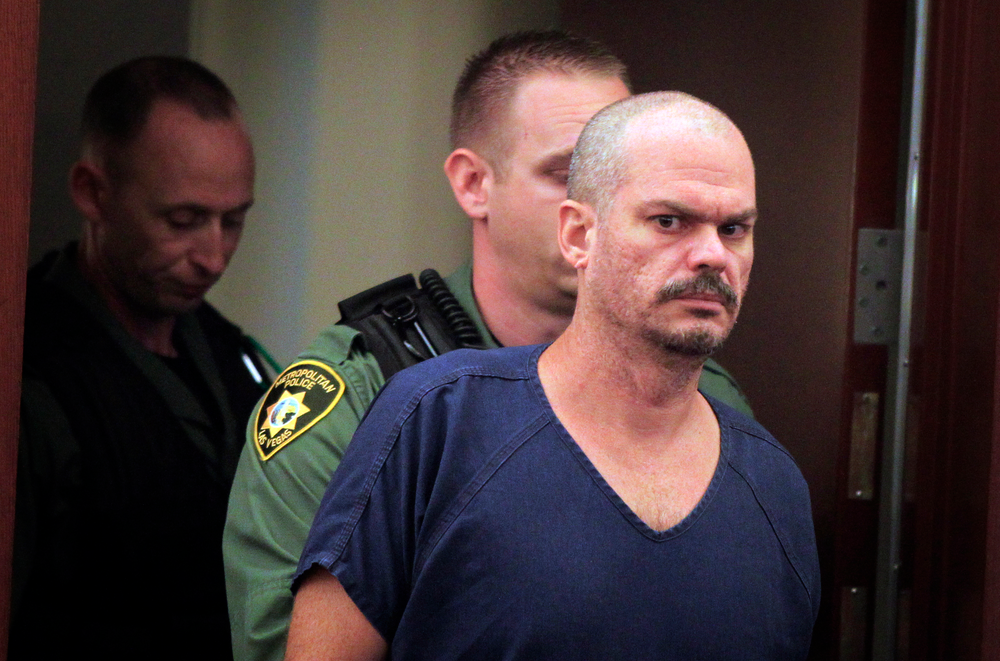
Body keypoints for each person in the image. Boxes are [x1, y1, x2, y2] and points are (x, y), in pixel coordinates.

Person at [223, 31, 753, 661]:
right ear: (474, 183)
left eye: (622, 176)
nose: (598, 204)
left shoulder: (708, 399)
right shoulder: (355, 397)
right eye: (570, 174)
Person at [11, 57, 269, 661]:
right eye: (183, 220)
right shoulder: (28, 369)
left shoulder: (237, 356)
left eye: (233, 222)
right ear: (92, 193)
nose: (213, 257)